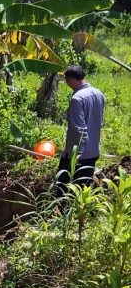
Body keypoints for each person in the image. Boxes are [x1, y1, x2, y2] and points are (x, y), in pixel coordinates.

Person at [55, 65, 105, 195]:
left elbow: (79, 129)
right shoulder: (99, 94)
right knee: (83, 188)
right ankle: (79, 213)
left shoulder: (77, 99)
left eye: (67, 81)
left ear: (71, 79)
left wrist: (78, 154)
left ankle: (59, 211)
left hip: (77, 154)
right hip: (94, 151)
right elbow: (100, 122)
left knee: (62, 185)